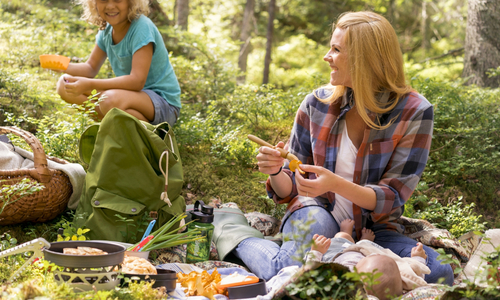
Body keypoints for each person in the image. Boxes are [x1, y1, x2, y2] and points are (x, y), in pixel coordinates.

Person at [233, 10, 454, 284]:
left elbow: (393, 195)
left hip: (376, 229)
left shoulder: (414, 111)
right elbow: (289, 189)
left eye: (336, 50)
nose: (327, 57)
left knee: (440, 273)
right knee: (289, 269)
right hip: (317, 212)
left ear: (366, 59)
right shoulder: (315, 104)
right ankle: (235, 235)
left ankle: (344, 262)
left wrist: (335, 183)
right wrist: (277, 171)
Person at [55, 0, 181, 126]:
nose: (110, 6)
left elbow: (137, 81)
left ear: (131, 2)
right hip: (129, 97)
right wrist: (61, 65)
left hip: (164, 105)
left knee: (108, 100)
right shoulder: (106, 30)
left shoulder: (142, 27)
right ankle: (115, 127)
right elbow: (90, 68)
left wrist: (89, 84)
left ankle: (153, 135)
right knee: (64, 85)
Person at [307, 219, 429, 300]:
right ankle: (364, 241)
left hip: (336, 254)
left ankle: (347, 233)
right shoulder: (404, 290)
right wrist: (418, 259)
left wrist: (316, 252)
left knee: (341, 237)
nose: (366, 257)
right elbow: (413, 276)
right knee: (366, 247)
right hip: (361, 249)